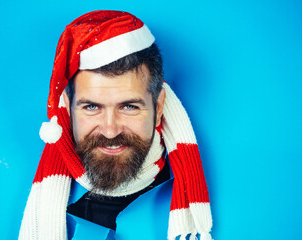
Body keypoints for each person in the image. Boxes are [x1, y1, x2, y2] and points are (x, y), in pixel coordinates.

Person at [19, 10, 213, 240]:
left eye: (129, 107)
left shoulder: (201, 208)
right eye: (91, 107)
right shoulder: (38, 201)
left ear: (159, 106)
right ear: (69, 108)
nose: (110, 130)